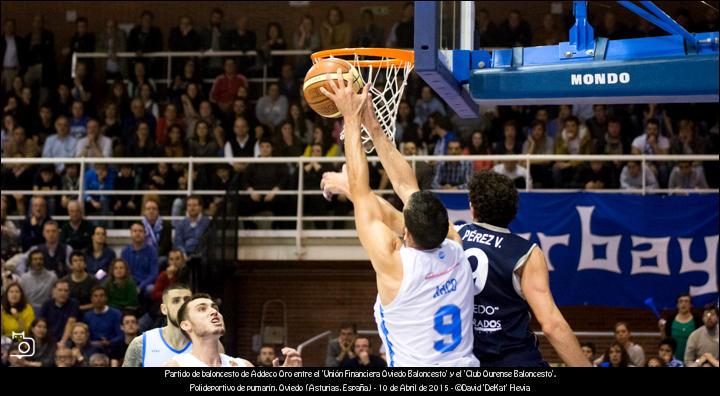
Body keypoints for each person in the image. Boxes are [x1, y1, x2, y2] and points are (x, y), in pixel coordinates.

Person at [320, 75, 478, 366]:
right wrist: (374, 128)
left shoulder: (397, 265)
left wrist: (350, 118)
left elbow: (365, 191)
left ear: (405, 234)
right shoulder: (456, 247)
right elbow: (402, 189)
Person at [460, 171, 589, 366]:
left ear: (473, 207)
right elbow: (551, 324)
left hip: (465, 356)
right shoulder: (526, 252)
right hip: (514, 358)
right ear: (513, 211)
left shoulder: (453, 236)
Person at [164, 293, 302, 367]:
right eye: (202, 309)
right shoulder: (176, 365)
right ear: (186, 325)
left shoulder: (243, 365)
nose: (213, 311)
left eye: (215, 308)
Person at [122, 284, 194, 366]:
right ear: (164, 309)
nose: (183, 305)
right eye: (176, 301)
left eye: (187, 300)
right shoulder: (141, 343)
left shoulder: (206, 342)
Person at [659, 293, 702, 361]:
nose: (683, 304)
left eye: (686, 301)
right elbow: (665, 342)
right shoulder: (670, 320)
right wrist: (662, 330)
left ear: (691, 305)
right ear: (677, 305)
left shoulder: (697, 320)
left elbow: (701, 342)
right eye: (681, 301)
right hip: (673, 361)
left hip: (692, 360)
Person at [121, 222, 158, 298]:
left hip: (147, 283)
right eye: (135, 231)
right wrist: (132, 286)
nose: (137, 233)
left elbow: (154, 273)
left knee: (151, 289)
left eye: (140, 231)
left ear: (145, 234)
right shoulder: (125, 251)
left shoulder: (152, 250)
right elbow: (124, 272)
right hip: (130, 283)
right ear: (131, 233)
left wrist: (141, 286)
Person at [38, 279, 80, 347]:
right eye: (60, 290)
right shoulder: (47, 304)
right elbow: (40, 323)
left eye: (66, 291)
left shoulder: (73, 304)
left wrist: (62, 342)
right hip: (48, 339)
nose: (63, 293)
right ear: (54, 291)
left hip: (66, 340)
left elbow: (71, 323)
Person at [82, 286, 123, 350]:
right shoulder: (87, 316)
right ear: (91, 299)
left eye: (101, 296)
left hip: (113, 347)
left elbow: (120, 335)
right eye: (95, 296)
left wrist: (109, 342)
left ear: (106, 298)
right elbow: (86, 336)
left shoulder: (116, 314)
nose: (98, 299)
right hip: (93, 348)